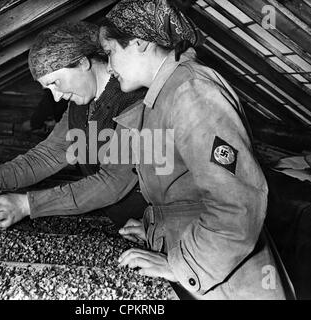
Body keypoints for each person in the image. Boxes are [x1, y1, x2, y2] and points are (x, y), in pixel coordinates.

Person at [94, 0, 289, 299]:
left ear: (139, 42)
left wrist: (182, 266)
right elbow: (186, 190)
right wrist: (155, 225)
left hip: (227, 283)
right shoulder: (167, 92)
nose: (109, 67)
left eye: (110, 53)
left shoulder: (192, 91)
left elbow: (237, 203)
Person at [0, 21, 147, 228]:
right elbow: (50, 154)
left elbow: (113, 181)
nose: (56, 98)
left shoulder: (133, 101)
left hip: (154, 226)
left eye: (55, 83)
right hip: (124, 224)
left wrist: (27, 204)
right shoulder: (79, 106)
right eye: (48, 88)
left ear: (82, 63)